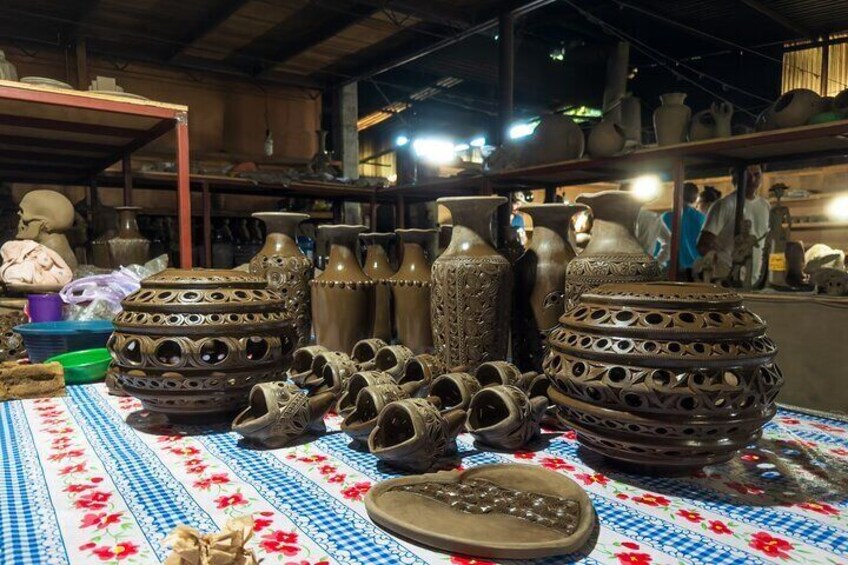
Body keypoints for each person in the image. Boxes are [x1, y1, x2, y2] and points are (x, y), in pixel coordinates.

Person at [697, 165, 770, 286]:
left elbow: (765, 243)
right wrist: (725, 266)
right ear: (735, 177)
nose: (752, 180)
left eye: (756, 175)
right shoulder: (724, 205)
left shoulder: (765, 206)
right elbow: (703, 245)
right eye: (747, 175)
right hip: (729, 280)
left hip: (757, 280)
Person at [662, 182, 705, 277]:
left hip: (670, 270)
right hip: (694, 272)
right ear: (696, 198)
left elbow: (657, 247)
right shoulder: (702, 218)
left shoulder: (666, 218)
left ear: (675, 195)